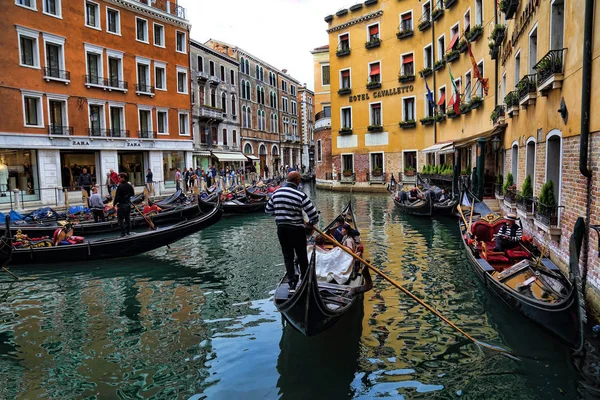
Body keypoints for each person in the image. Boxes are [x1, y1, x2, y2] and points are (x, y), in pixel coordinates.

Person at [265, 171, 319, 288]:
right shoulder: (300, 195)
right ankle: (305, 281)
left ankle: (291, 281)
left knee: (288, 256)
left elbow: (268, 210)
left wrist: (280, 213)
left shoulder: (276, 193)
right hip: (297, 230)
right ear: (297, 181)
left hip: (282, 229)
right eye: (299, 180)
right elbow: (314, 215)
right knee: (302, 256)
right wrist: (310, 223)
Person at [113, 172, 135, 237]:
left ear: (123, 178)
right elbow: (132, 194)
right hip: (128, 204)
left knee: (120, 219)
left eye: (119, 178)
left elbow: (117, 197)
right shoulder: (129, 186)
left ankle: (123, 233)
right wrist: (126, 196)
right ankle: (128, 232)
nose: (118, 179)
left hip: (122, 205)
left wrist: (114, 204)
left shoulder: (120, 186)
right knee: (128, 219)